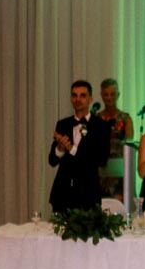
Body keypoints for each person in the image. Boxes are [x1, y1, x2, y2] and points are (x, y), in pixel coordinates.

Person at [47, 80, 111, 214]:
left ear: (91, 99)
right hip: (62, 194)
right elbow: (52, 161)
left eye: (82, 95)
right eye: (74, 95)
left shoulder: (101, 126)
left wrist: (72, 149)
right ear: (71, 98)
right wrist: (60, 149)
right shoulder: (62, 124)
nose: (78, 99)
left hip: (88, 194)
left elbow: (102, 159)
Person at [97, 78, 135, 198]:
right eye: (106, 94)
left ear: (118, 95)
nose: (109, 98)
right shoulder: (96, 118)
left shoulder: (125, 118)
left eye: (112, 94)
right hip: (100, 170)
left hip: (120, 170)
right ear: (101, 95)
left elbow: (129, 145)